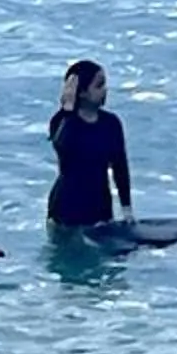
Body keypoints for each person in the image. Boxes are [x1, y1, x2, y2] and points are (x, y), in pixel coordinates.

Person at [47, 60, 133, 228]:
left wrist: (127, 209)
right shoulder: (62, 122)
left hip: (100, 208)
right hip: (66, 211)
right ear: (83, 92)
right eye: (99, 85)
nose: (105, 90)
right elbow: (63, 146)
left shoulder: (111, 123)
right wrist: (68, 109)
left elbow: (120, 167)